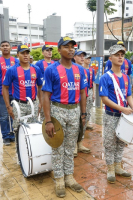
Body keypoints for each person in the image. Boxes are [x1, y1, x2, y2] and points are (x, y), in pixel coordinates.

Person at [42, 36, 87, 198]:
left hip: (74, 111)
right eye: (66, 47)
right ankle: (59, 179)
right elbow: (45, 96)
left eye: (72, 47)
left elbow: (82, 92)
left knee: (70, 147)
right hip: (58, 110)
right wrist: (48, 120)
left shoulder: (80, 70)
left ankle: (69, 176)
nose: (71, 49)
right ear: (59, 50)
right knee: (57, 147)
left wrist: (83, 114)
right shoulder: (51, 70)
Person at [99, 44, 133, 183]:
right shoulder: (106, 77)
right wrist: (122, 109)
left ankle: (118, 166)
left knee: (121, 142)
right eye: (117, 55)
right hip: (111, 115)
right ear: (111, 58)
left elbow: (129, 95)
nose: (120, 57)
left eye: (122, 55)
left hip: (124, 116)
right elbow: (104, 99)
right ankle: (110, 169)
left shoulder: (126, 77)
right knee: (110, 143)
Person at [2, 44, 43, 132]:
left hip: (33, 104)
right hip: (19, 104)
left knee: (33, 129)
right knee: (18, 131)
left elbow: (40, 87)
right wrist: (8, 106)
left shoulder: (36, 69)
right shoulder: (12, 70)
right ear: (17, 55)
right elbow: (5, 87)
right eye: (22, 53)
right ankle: (18, 146)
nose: (25, 55)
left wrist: (40, 103)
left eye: (27, 53)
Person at [0, 41, 19, 145]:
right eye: (3, 46)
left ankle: (13, 134)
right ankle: (5, 136)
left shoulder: (16, 61)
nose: (5, 47)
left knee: (14, 114)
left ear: (10, 48)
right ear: (0, 48)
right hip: (2, 93)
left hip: (15, 93)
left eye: (7, 46)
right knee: (4, 115)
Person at [73, 49, 91, 157]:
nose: (82, 58)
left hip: (85, 99)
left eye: (83, 56)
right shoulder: (71, 68)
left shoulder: (86, 71)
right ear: (74, 57)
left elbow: (85, 88)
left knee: (83, 121)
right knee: (74, 123)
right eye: (79, 56)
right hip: (74, 100)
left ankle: (80, 142)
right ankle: (74, 145)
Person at [35, 45, 55, 121]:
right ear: (43, 53)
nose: (49, 52)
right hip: (43, 92)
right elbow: (37, 82)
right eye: (47, 50)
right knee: (44, 115)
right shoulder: (39, 64)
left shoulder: (55, 63)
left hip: (54, 93)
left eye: (50, 50)